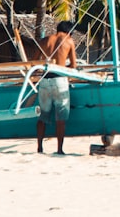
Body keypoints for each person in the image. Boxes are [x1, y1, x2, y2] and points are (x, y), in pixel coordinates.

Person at [35, 20, 78, 154]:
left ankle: (40, 147)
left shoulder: (45, 40)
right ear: (69, 31)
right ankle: (59, 149)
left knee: (42, 116)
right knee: (61, 118)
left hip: (45, 80)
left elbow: (34, 61)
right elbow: (74, 65)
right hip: (60, 80)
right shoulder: (69, 41)